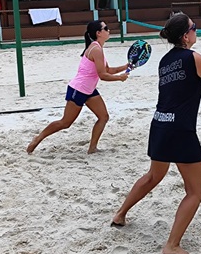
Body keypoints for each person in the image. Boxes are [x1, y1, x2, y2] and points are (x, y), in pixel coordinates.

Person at [111, 13, 201, 254]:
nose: (197, 31)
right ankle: (171, 245)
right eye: (194, 28)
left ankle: (120, 214)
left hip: (160, 125)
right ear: (186, 36)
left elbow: (188, 79)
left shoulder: (166, 61)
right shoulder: (194, 58)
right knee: (197, 191)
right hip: (181, 131)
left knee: (153, 176)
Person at [26, 20, 129, 154]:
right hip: (78, 90)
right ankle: (38, 138)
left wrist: (125, 67)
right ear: (99, 33)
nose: (109, 30)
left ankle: (92, 148)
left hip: (89, 90)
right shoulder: (96, 49)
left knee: (103, 117)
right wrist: (119, 78)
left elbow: (108, 70)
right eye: (106, 28)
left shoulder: (97, 47)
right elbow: (103, 75)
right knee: (65, 123)